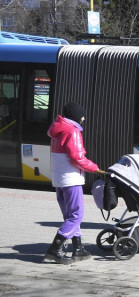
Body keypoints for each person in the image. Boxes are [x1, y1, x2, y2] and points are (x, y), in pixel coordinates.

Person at [44, 102, 101, 264]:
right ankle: (55, 249)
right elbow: (77, 158)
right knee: (76, 215)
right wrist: (94, 168)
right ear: (77, 116)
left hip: (59, 178)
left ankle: (78, 249)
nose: (84, 118)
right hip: (71, 178)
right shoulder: (72, 131)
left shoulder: (58, 130)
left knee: (70, 216)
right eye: (82, 115)